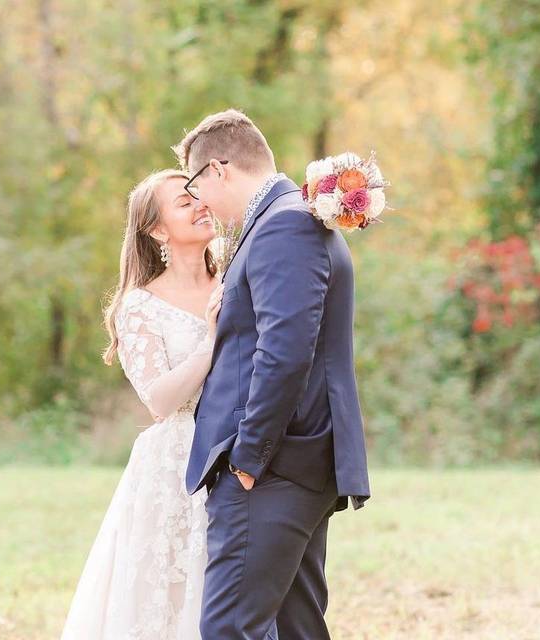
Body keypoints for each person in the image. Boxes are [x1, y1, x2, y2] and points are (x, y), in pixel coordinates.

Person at [176, 109, 372, 640]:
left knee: (229, 628)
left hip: (274, 467)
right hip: (297, 463)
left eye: (198, 185)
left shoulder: (284, 224)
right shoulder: (292, 217)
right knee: (297, 628)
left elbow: (284, 353)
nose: (202, 203)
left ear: (218, 170)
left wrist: (248, 457)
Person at [59, 168, 224, 639]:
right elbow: (160, 399)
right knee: (170, 595)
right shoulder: (139, 305)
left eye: (199, 195)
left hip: (237, 447)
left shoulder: (237, 276)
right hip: (177, 462)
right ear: (156, 230)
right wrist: (213, 339)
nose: (199, 204)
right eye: (182, 202)